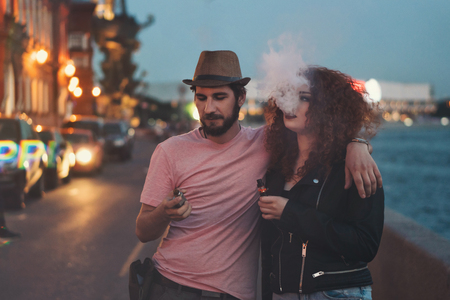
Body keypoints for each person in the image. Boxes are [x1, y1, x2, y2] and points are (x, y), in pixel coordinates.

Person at [135, 51, 382, 300]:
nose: (209, 108)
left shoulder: (264, 143)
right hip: (172, 287)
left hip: (235, 295)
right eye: (201, 98)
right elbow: (143, 231)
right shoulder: (169, 151)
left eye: (219, 97)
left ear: (241, 97)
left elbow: (323, 131)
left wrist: (357, 144)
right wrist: (164, 212)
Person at [259, 66, 384, 300]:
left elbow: (366, 244)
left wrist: (290, 213)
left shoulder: (351, 165)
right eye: (288, 95)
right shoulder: (277, 165)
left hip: (336, 293)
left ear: (328, 108)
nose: (291, 104)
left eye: (304, 98)